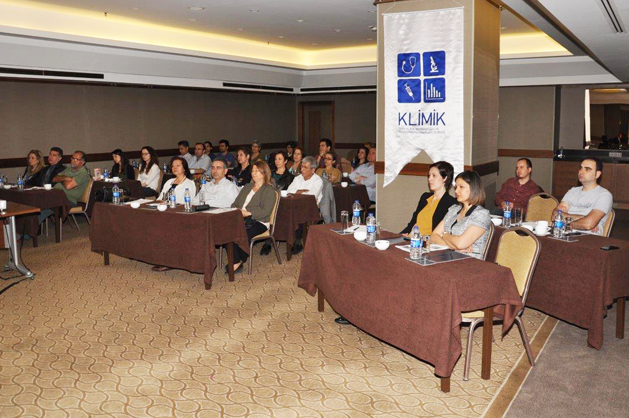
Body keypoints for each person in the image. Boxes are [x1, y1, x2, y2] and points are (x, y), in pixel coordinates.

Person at [430, 171, 491, 260]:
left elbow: (460, 243)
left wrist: (444, 235)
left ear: (474, 189)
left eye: (461, 187)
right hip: (447, 257)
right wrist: (454, 248)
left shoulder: (481, 214)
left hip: (470, 262)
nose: (456, 191)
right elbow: (434, 236)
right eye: (456, 187)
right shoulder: (453, 210)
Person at [230, 160, 277, 274]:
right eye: (252, 170)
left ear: (264, 173)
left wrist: (248, 213)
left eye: (257, 171)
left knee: (240, 234)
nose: (253, 173)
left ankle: (237, 261)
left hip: (259, 221)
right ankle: (237, 260)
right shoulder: (247, 187)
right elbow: (235, 204)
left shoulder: (269, 190)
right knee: (227, 230)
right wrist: (238, 211)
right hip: (241, 217)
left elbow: (266, 211)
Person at [552, 157, 612, 235]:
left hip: (587, 237)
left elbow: (588, 224)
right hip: (563, 234)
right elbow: (555, 215)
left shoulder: (604, 195)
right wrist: (584, 218)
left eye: (587, 169)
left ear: (597, 174)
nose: (581, 172)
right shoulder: (572, 191)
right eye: (581, 168)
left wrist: (563, 221)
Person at [400, 161, 457, 236]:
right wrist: (400, 236)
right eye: (429, 176)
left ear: (444, 178)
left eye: (434, 176)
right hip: (410, 238)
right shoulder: (425, 197)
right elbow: (412, 223)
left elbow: (443, 232)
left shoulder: (451, 203)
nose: (430, 179)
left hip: (427, 241)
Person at [38, 151, 90, 225]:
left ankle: (30, 228)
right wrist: (65, 178)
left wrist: (61, 179)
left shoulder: (83, 173)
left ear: (82, 162)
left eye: (76, 159)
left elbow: (68, 186)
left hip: (68, 200)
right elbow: (54, 178)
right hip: (57, 195)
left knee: (44, 207)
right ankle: (30, 226)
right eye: (72, 158)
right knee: (38, 202)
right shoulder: (68, 169)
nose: (73, 160)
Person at [287, 156, 323, 255]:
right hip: (294, 205)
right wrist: (302, 191)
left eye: (305, 167)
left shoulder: (318, 181)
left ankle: (297, 242)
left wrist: (297, 192)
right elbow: (289, 191)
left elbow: (311, 196)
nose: (302, 169)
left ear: (313, 170)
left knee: (297, 213)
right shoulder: (298, 178)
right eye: (301, 167)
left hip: (310, 208)